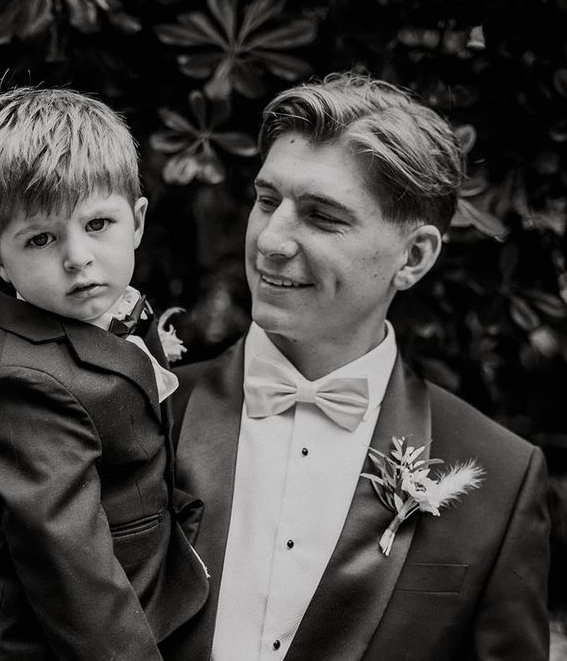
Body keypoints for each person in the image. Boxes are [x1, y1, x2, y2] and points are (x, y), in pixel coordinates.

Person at [161, 73, 550, 661]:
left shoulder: (500, 475)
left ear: (413, 257)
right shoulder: (143, 411)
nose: (270, 240)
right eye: (267, 201)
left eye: (321, 217)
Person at [0, 87, 208, 660]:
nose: (77, 257)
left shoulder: (103, 320)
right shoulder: (18, 386)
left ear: (137, 221)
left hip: (148, 601)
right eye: (40, 238)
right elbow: (74, 577)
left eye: (97, 224)